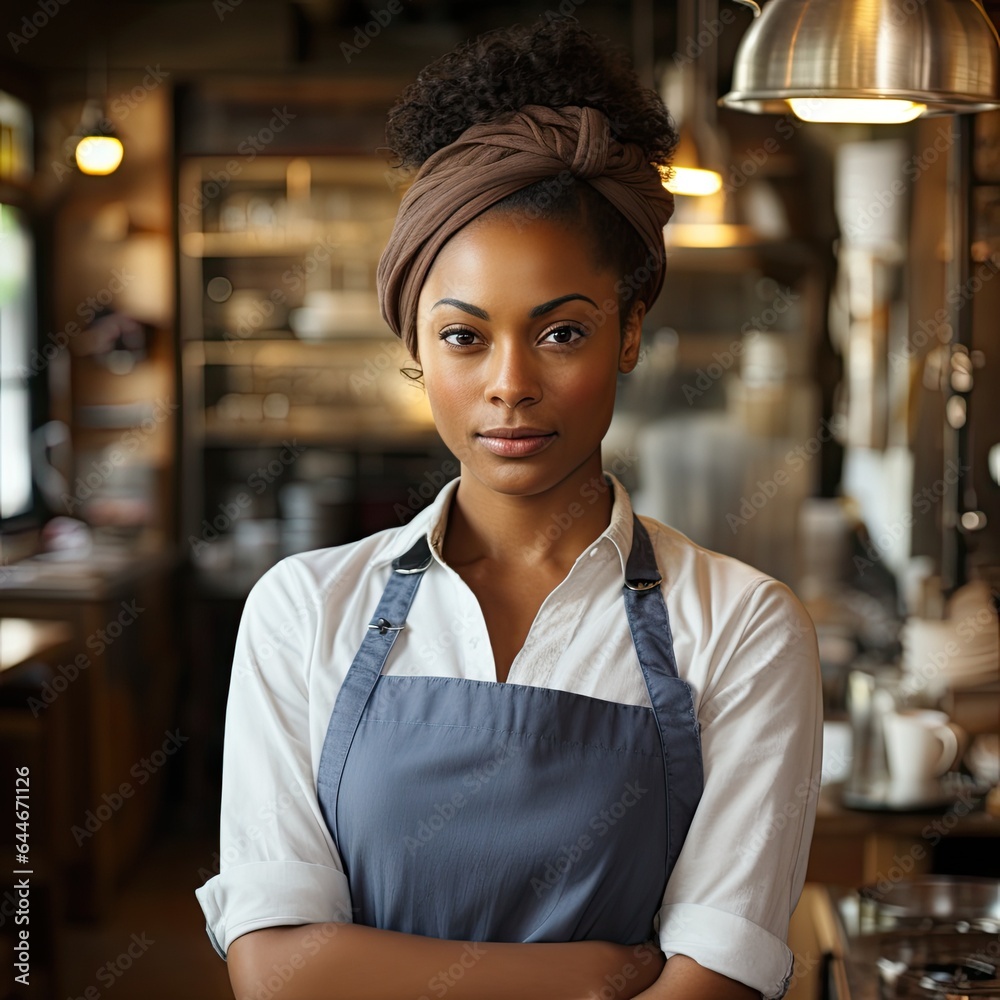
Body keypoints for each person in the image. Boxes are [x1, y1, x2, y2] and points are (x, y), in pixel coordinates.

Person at [196, 17, 823, 1000]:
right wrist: (586, 974)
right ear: (415, 347)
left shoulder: (741, 627)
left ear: (629, 333)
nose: (510, 384)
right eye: (463, 337)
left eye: (562, 331)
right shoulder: (303, 608)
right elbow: (279, 971)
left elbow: (717, 983)